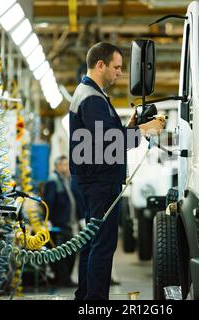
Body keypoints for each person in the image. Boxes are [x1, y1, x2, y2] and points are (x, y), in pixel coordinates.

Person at [69, 42, 165, 300]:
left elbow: (104, 136)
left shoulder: (91, 94)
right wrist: (147, 129)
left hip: (95, 179)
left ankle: (86, 299)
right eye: (117, 67)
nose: (120, 73)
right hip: (99, 181)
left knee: (92, 242)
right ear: (100, 65)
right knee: (102, 245)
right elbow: (108, 141)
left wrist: (131, 125)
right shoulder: (91, 98)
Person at [43, 155, 85, 287]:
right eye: (64, 165)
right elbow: (48, 201)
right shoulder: (53, 180)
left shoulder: (67, 180)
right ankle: (63, 280)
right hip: (59, 223)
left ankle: (65, 279)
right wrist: (48, 220)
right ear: (57, 166)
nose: (67, 167)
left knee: (70, 252)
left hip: (70, 222)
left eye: (67, 164)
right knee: (64, 253)